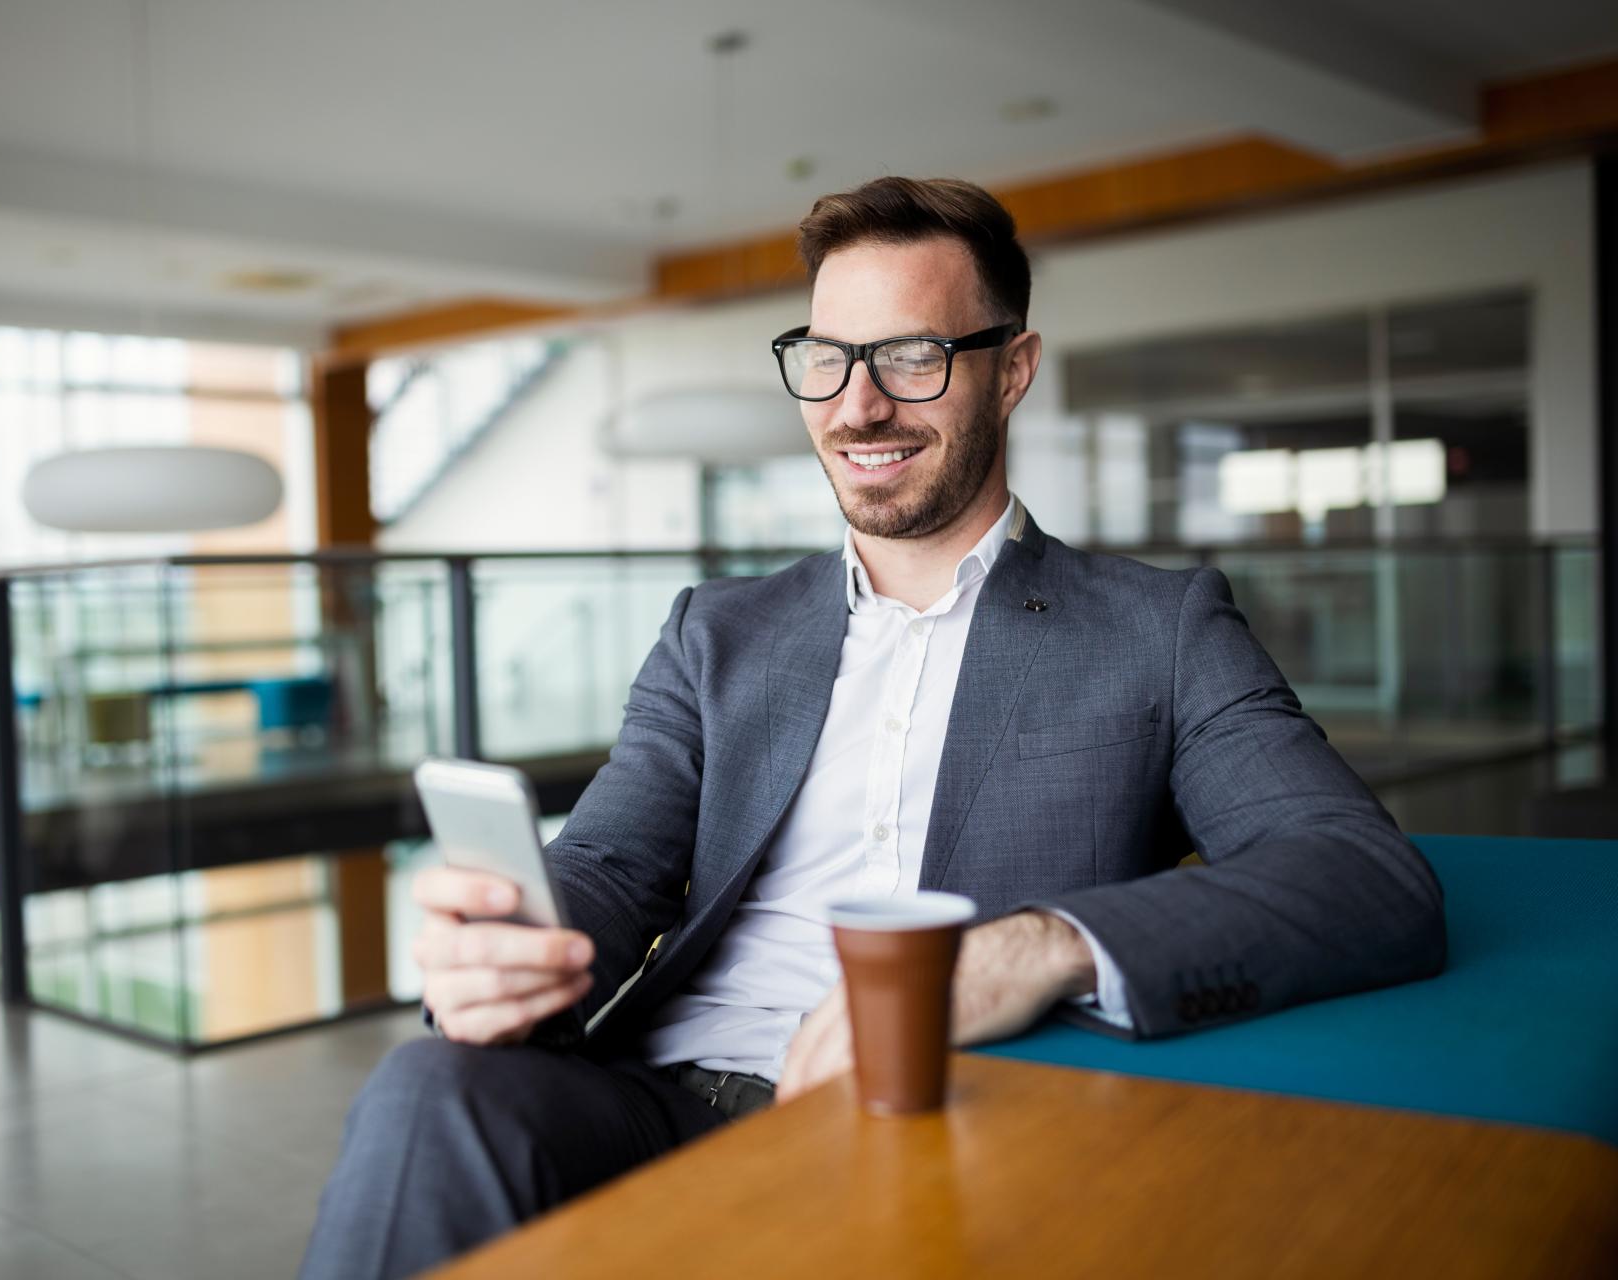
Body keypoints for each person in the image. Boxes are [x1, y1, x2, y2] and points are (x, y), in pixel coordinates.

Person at [298, 176, 1446, 1280]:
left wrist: (1029, 946)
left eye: (912, 355)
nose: (858, 406)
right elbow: (610, 858)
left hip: (932, 1110)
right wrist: (513, 937)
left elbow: (1361, 874)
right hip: (654, 1097)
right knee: (424, 1086)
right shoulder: (720, 631)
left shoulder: (1158, 627)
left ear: (1013, 370)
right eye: (829, 359)